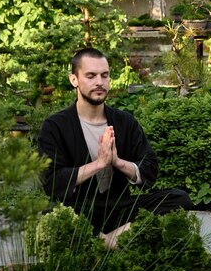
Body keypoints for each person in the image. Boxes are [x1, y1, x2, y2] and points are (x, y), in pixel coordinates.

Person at [38, 48, 192, 246]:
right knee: (51, 214)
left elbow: (149, 169)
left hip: (120, 207)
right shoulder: (55, 126)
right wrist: (99, 164)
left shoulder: (124, 122)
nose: (99, 82)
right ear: (74, 80)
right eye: (91, 76)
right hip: (81, 209)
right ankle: (119, 241)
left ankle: (103, 244)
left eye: (105, 75)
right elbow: (51, 182)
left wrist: (117, 162)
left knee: (179, 199)